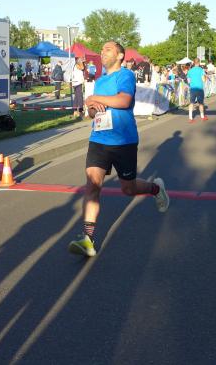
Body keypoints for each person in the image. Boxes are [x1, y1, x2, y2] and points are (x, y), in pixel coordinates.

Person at [68, 41, 169, 258]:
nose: (102, 52)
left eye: (108, 49)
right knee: (92, 185)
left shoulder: (126, 75)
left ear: (120, 55)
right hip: (99, 138)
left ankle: (155, 189)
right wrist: (92, 107)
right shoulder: (100, 81)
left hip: (124, 140)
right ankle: (87, 239)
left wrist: (93, 98)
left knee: (128, 189)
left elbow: (123, 101)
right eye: (101, 49)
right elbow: (92, 113)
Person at [186, 57, 207, 123]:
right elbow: (203, 80)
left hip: (192, 88)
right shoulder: (201, 70)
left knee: (191, 103)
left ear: (194, 62)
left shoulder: (190, 70)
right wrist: (205, 77)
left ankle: (190, 118)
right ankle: (202, 116)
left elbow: (188, 81)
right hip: (199, 88)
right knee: (201, 103)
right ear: (199, 62)